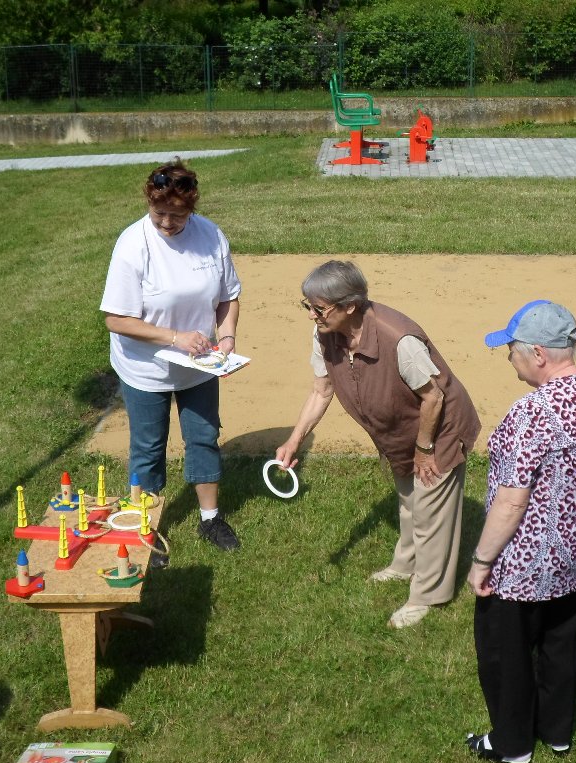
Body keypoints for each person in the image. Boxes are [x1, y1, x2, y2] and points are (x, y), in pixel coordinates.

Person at [275, 260, 481, 629]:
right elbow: (322, 390)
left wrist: (425, 449)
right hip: (399, 431)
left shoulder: (399, 339)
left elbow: (433, 398)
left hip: (439, 430)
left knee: (432, 510)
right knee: (408, 498)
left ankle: (427, 595)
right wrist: (294, 440)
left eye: (318, 308)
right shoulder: (326, 333)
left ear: (349, 306)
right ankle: (405, 565)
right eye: (307, 306)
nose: (311, 315)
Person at [466, 300, 576, 763]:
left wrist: (481, 562)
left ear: (537, 353)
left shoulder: (529, 414)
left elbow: (511, 502)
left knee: (505, 655)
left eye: (510, 350)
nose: (507, 358)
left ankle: (511, 745)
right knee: (562, 644)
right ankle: (556, 732)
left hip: (525, 564)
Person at [100, 158, 242, 565]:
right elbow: (116, 318)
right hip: (145, 368)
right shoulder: (132, 245)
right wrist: (175, 338)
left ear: (191, 208)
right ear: (149, 202)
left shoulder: (211, 236)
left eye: (177, 216)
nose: (167, 223)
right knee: (148, 447)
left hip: (200, 365)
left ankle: (210, 519)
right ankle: (147, 528)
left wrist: (227, 335)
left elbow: (228, 296)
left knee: (203, 436)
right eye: (159, 213)